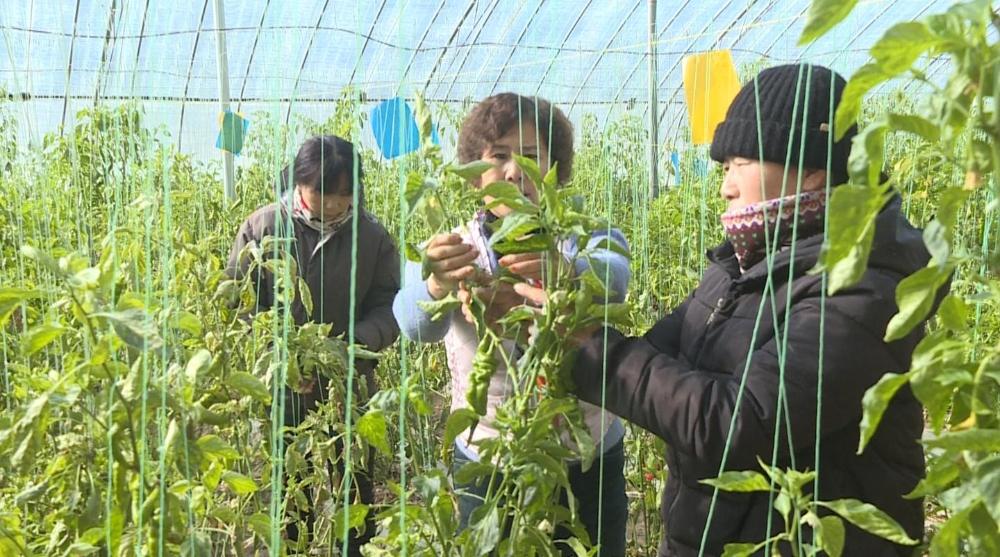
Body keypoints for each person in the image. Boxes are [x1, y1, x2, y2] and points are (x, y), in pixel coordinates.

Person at [518, 64, 938, 556]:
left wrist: (592, 347)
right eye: (724, 168)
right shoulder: (743, 262)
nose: (726, 186)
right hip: (715, 531)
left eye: (740, 162)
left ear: (811, 169)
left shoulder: (864, 283)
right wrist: (562, 305)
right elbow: (659, 350)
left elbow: (738, 422)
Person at [392, 93, 631, 556]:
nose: (514, 171)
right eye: (499, 156)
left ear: (555, 169)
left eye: (532, 156)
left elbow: (615, 276)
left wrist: (568, 272)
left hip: (585, 454)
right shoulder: (452, 247)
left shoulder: (582, 234)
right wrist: (438, 284)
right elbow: (411, 322)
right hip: (490, 457)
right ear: (473, 171)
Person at [226, 135, 400, 556]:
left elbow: (389, 304)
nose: (336, 204)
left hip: (350, 379)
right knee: (288, 482)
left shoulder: (371, 236)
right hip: (283, 383)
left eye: (345, 194)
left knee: (354, 482)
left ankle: (355, 549)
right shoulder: (263, 227)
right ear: (300, 182)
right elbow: (240, 302)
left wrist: (354, 346)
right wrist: (280, 356)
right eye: (324, 191)